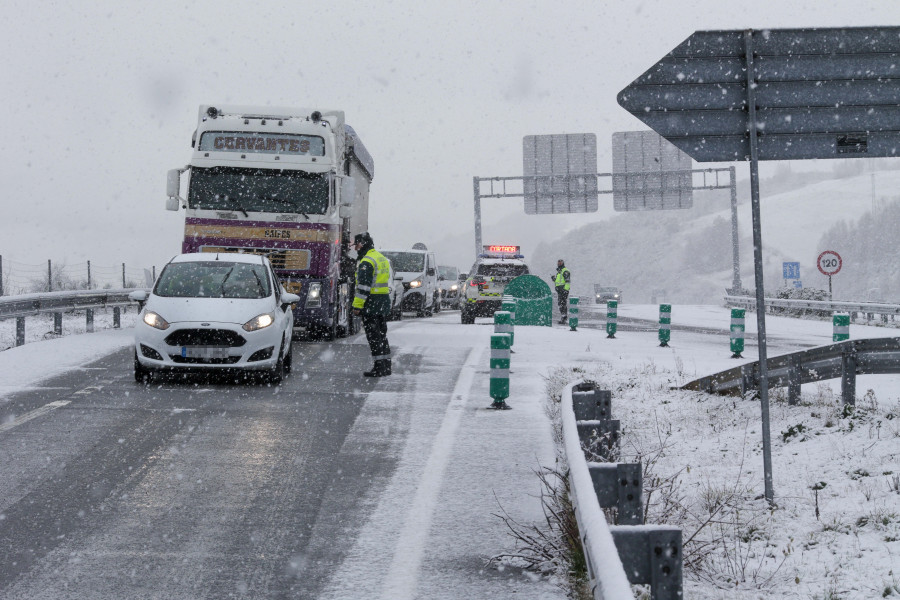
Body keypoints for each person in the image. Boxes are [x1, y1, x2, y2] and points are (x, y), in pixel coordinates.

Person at [352, 232, 393, 377]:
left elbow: (363, 287)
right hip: (382, 303)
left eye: (356, 245)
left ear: (362, 244)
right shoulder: (381, 258)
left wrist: (357, 306)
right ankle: (386, 366)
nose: (355, 248)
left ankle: (379, 367)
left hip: (372, 304)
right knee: (381, 335)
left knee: (374, 337)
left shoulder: (367, 262)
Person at [554, 259, 571, 324]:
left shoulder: (565, 271)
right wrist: (554, 279)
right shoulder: (559, 272)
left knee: (562, 304)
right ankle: (563, 317)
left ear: (563, 263)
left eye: (560, 263)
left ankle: (564, 317)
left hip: (563, 290)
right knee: (560, 304)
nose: (559, 264)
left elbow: (567, 281)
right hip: (560, 290)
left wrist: (565, 290)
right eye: (558, 263)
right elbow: (559, 281)